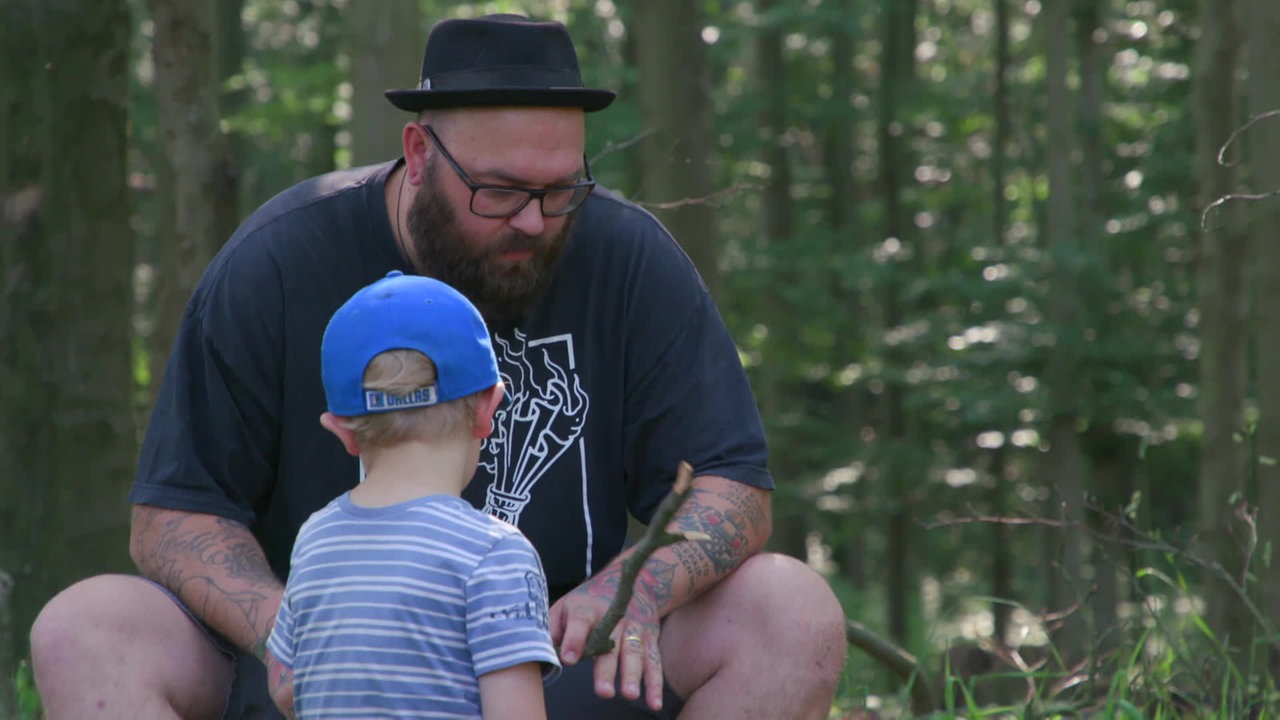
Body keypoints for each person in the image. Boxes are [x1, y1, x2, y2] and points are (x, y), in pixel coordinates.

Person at [29, 13, 848, 720]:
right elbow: (174, 516)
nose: (533, 219)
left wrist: (637, 583)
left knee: (789, 608)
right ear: (419, 153)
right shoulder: (281, 262)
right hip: (316, 684)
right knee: (86, 627)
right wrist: (294, 631)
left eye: (561, 190)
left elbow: (732, 484)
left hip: (552, 675)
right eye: (498, 190)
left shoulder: (630, 261)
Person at [263, 271, 560, 719]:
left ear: (342, 431)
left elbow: (286, 690)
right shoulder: (494, 554)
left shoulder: (315, 542)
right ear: (488, 408)